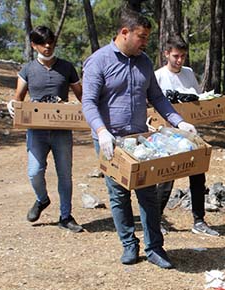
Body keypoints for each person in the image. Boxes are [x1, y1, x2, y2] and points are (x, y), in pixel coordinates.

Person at [82, 8, 197, 269]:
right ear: (125, 32)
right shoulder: (98, 61)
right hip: (109, 140)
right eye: (141, 37)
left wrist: (180, 122)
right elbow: (88, 102)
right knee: (118, 194)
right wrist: (101, 132)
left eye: (146, 38)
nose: (145, 43)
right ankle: (128, 245)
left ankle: (155, 248)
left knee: (148, 193)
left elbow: (157, 97)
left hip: (139, 139)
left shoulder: (144, 61)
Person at [7, 26, 84, 233]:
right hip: (36, 131)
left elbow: (82, 97)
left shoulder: (67, 67)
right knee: (34, 172)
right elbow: (18, 99)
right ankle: (42, 200)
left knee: (65, 174)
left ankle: (66, 216)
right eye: (42, 42)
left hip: (62, 131)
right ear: (34, 45)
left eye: (50, 41)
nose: (47, 46)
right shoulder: (27, 70)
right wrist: (13, 107)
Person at [154, 37, 219, 237]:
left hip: (191, 134)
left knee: (198, 175)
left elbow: (197, 99)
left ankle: (199, 221)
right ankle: (155, 220)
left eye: (183, 56)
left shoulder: (189, 73)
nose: (180, 60)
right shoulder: (158, 76)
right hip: (169, 136)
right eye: (176, 56)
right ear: (166, 54)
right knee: (167, 178)